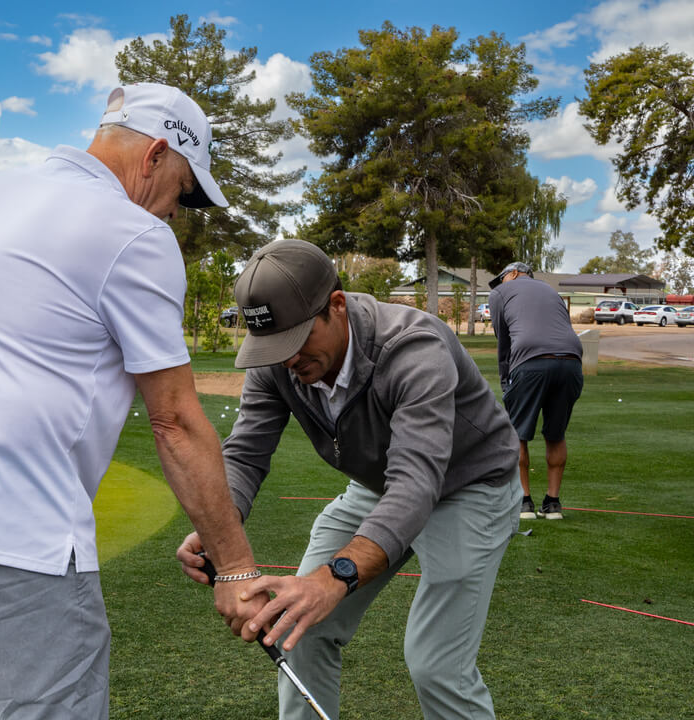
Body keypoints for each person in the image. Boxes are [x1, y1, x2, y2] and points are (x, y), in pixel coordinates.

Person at [0, 83, 265, 720]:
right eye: (185, 191)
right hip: (22, 528)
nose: (177, 211)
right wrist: (237, 570)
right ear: (156, 155)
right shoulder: (134, 235)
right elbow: (174, 421)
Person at [177, 239, 522, 720]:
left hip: (469, 485)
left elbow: (417, 482)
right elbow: (246, 452)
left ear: (336, 306)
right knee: (297, 628)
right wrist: (219, 526)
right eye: (272, 347)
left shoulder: (413, 347)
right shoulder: (277, 361)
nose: (286, 361)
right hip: (380, 485)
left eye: (295, 341)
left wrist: (333, 578)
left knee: (436, 665)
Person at [488, 261, 583, 520]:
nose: (499, 284)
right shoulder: (551, 291)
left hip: (530, 362)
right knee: (556, 434)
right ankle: (553, 504)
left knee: (517, 434)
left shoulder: (498, 294)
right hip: (572, 362)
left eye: (502, 277)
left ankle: (524, 503)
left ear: (516, 273)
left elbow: (503, 342)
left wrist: (505, 381)